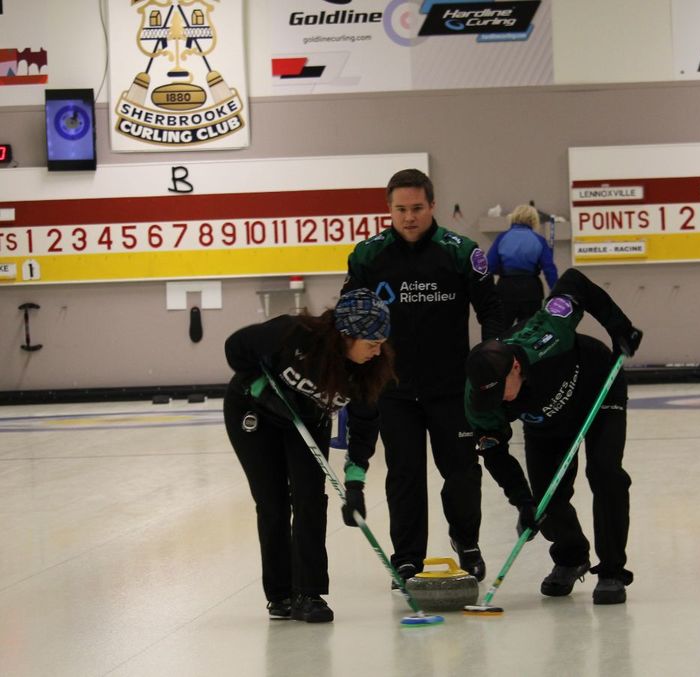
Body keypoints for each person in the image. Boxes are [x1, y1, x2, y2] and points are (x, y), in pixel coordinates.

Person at [342, 168, 504, 586]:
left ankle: (466, 542)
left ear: (432, 205)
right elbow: (350, 315)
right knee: (404, 475)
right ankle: (407, 558)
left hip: (452, 388)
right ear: (389, 210)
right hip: (394, 390)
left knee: (462, 472)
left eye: (417, 208)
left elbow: (491, 311)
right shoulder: (367, 256)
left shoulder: (461, 253)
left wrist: (490, 362)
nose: (409, 217)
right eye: (400, 209)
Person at [464, 268, 643, 604]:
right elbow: (495, 453)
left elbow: (573, 280)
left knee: (605, 473)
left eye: (501, 393)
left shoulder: (549, 334)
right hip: (544, 421)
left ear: (516, 368)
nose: (497, 403)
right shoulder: (479, 396)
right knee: (546, 499)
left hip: (597, 389)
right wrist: (522, 502)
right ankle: (571, 557)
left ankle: (612, 571)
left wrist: (619, 327)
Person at [223, 288, 395, 622]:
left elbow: (363, 429)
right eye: (372, 343)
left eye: (381, 344)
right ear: (347, 334)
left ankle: (309, 593)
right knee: (273, 503)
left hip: (306, 419)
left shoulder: (368, 371)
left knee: (311, 499)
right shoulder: (294, 334)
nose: (377, 352)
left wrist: (355, 485)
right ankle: (280, 594)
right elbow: (235, 347)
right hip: (253, 411)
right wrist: (260, 387)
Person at [486, 204, 558, 330]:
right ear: (534, 220)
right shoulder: (539, 240)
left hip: (505, 290)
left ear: (513, 217)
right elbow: (549, 269)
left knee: (501, 332)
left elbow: (489, 266)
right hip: (531, 291)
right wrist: (556, 292)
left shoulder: (502, 238)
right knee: (529, 333)